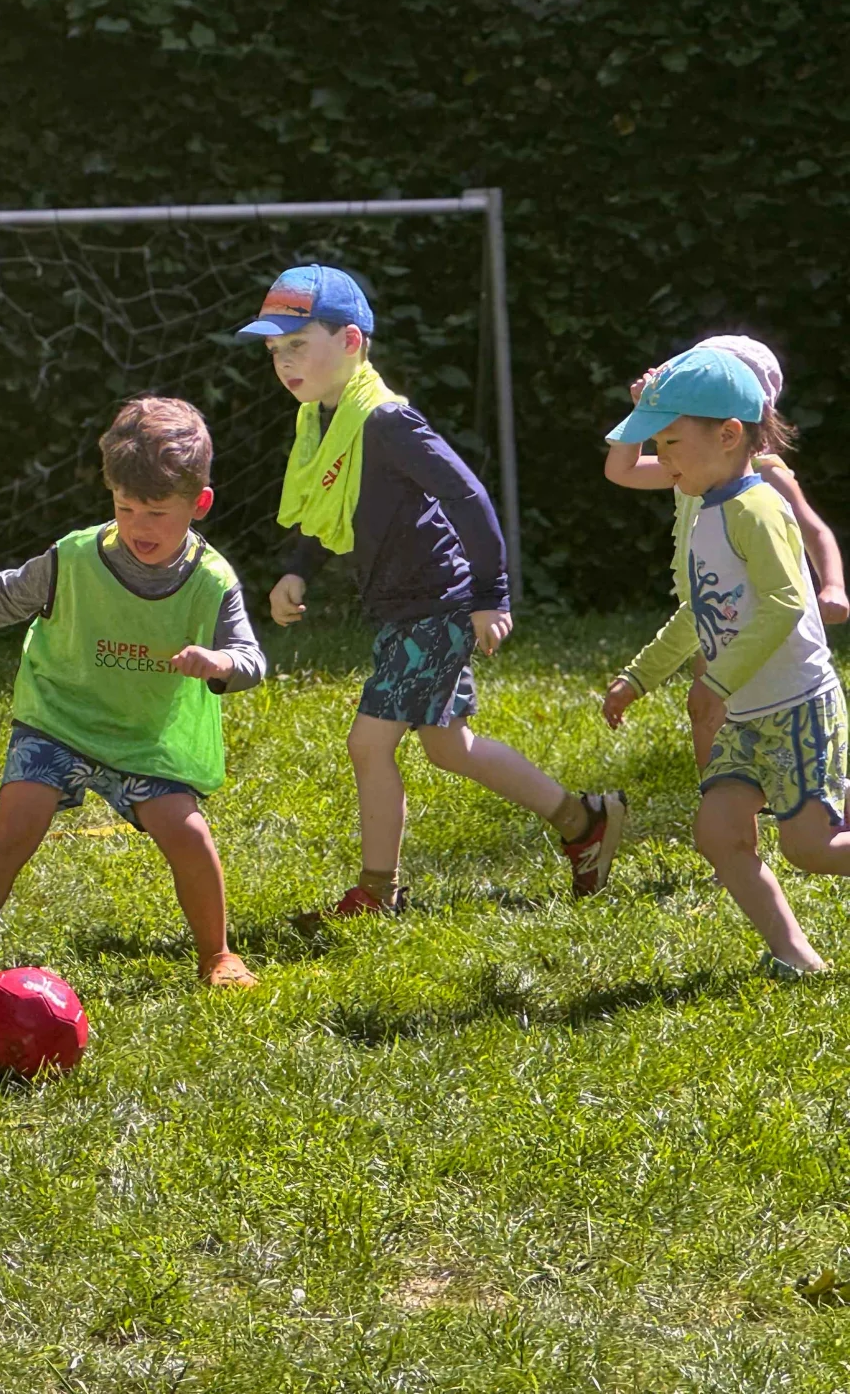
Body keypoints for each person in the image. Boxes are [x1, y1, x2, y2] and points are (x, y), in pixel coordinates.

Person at [241, 265, 625, 927]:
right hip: (403, 606)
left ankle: (376, 892)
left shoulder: (384, 421)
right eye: (275, 349)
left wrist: (490, 595)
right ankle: (583, 818)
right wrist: (298, 567)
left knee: (369, 744)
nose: (283, 361)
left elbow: (466, 495)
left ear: (352, 342)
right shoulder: (320, 422)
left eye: (298, 344)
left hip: (437, 604)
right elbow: (326, 507)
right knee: (450, 747)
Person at [0, 397, 267, 1011]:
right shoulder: (74, 559)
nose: (139, 525)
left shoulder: (213, 581)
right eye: (125, 507)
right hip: (60, 721)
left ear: (199, 504)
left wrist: (220, 665)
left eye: (157, 511)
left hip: (145, 739)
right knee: (15, 823)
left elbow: (251, 658)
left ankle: (217, 954)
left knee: (188, 835)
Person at [601, 347, 843, 979]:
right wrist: (640, 677)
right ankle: (795, 954)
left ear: (729, 435)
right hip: (748, 712)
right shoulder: (707, 508)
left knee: (811, 849)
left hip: (795, 706)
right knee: (718, 832)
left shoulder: (757, 507)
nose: (664, 457)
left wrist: (717, 682)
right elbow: (699, 609)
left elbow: (788, 603)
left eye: (672, 443)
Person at [604, 334, 846, 765]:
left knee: (799, 743)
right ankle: (724, 796)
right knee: (708, 712)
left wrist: (833, 586)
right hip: (711, 613)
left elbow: (816, 532)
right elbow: (620, 469)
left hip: (763, 624)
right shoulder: (684, 465)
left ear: (730, 427)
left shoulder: (765, 478)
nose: (664, 455)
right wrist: (646, 414)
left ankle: (808, 802)